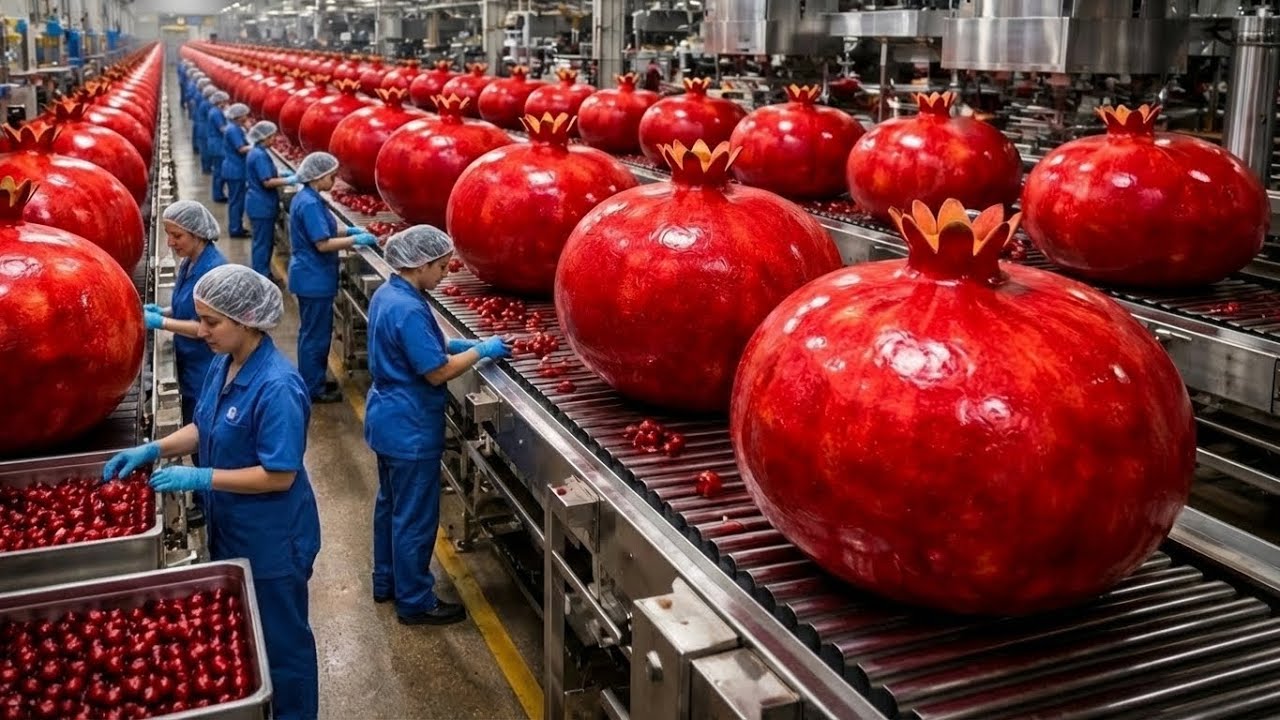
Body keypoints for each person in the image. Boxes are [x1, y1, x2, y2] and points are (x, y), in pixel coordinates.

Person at [104, 264, 321, 720]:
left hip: (273, 540)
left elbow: (279, 475)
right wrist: (154, 448)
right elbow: (204, 426)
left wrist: (201, 478)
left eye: (211, 322)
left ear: (246, 320)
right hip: (234, 526)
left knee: (283, 645)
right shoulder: (224, 362)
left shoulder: (277, 387)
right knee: (251, 637)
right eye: (201, 319)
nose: (200, 330)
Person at [365, 226, 511, 624]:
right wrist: (481, 350)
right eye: (442, 267)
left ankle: (387, 581)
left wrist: (449, 343)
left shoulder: (389, 293)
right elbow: (435, 372)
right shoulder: (410, 307)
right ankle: (415, 601)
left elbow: (409, 343)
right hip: (410, 426)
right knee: (414, 517)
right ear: (421, 264)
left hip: (386, 419)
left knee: (390, 506)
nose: (446, 273)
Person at [286, 151, 378, 404]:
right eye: (331, 176)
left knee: (311, 334)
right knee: (316, 336)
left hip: (309, 275)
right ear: (318, 177)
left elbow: (324, 229)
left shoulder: (306, 197)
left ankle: (311, 379)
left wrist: (348, 229)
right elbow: (323, 243)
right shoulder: (311, 203)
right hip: (314, 278)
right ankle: (313, 388)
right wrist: (355, 240)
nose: (334, 181)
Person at [144, 200, 228, 438]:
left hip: (206, 365)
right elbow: (189, 305)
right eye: (168, 235)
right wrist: (165, 311)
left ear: (198, 234)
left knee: (205, 431)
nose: (170, 242)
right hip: (190, 361)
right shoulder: (189, 262)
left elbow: (205, 327)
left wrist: (161, 323)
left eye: (177, 235)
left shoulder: (213, 272)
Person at [245, 120, 293, 280]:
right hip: (261, 206)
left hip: (260, 203)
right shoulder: (259, 155)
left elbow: (268, 176)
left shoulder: (258, 152)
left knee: (263, 242)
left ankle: (263, 272)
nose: (274, 140)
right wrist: (292, 179)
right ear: (264, 137)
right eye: (272, 137)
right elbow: (267, 182)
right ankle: (261, 276)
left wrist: (282, 176)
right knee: (262, 243)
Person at [221, 103, 253, 238]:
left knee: (236, 200)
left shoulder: (235, 128)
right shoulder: (233, 130)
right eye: (245, 115)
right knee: (236, 201)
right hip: (235, 170)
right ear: (239, 116)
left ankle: (237, 226)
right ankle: (235, 229)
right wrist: (256, 145)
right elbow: (241, 149)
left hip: (234, 168)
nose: (247, 117)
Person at [206, 91, 231, 203]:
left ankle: (218, 193)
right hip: (218, 145)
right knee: (219, 171)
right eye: (225, 102)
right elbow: (222, 129)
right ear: (219, 101)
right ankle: (218, 195)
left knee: (218, 171)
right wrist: (233, 128)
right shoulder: (216, 113)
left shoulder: (215, 111)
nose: (226, 104)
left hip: (215, 143)